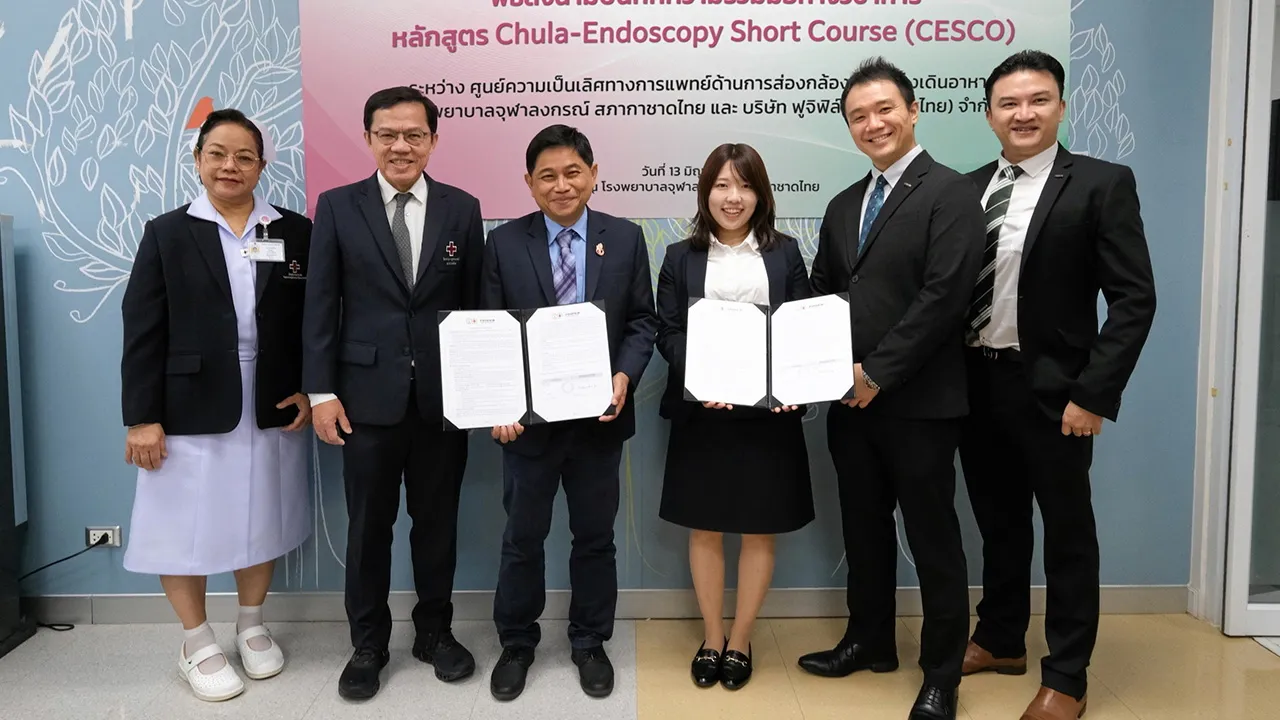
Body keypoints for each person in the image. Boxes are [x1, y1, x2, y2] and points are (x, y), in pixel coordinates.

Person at [958, 50, 1156, 720]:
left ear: (1061, 107)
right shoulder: (968, 188)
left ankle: (1068, 674)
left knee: (1068, 536)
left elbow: (1134, 299)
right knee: (998, 523)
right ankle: (1000, 638)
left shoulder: (1101, 183)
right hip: (975, 383)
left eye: (1038, 100)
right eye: (1009, 103)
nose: (1024, 113)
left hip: (1056, 393)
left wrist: (1093, 394)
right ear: (990, 115)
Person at [797, 57, 986, 720]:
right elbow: (823, 294)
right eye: (858, 116)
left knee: (934, 539)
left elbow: (944, 297)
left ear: (912, 111)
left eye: (884, 110)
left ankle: (941, 673)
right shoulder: (843, 204)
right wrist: (811, 367)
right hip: (849, 404)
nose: (873, 124)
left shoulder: (952, 192)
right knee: (864, 527)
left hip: (921, 404)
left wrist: (877, 372)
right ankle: (870, 640)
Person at [120, 108, 313, 702]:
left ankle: (251, 624)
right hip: (187, 403)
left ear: (262, 165)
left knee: (262, 513)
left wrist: (310, 386)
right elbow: (142, 328)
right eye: (218, 154)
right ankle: (196, 640)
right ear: (198, 159)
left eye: (245, 156)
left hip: (270, 398)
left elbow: (312, 318)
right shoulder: (168, 232)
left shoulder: (293, 230)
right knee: (184, 524)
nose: (231, 166)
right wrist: (141, 417)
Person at [301, 86, 484, 700]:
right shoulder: (337, 206)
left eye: (413, 135)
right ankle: (368, 644)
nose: (400, 146)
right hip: (363, 400)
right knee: (368, 529)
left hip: (442, 402)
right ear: (368, 138)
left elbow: (476, 307)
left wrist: (481, 392)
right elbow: (320, 304)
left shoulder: (462, 208)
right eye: (388, 134)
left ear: (433, 140)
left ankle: (435, 633)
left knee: (437, 524)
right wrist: (321, 392)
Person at [481, 124, 658, 702]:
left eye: (573, 172)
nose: (562, 186)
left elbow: (642, 321)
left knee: (595, 538)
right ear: (529, 183)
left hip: (598, 423)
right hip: (527, 427)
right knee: (522, 538)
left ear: (593, 174)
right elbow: (491, 331)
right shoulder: (504, 243)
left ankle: (589, 641)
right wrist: (499, 404)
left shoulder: (625, 238)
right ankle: (516, 642)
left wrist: (624, 375)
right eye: (548, 176)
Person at [655, 143, 813, 691]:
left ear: (760, 195)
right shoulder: (680, 256)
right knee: (705, 526)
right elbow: (668, 332)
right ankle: (712, 636)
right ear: (706, 192)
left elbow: (799, 327)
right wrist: (702, 376)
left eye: (744, 186)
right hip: (704, 412)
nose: (733, 197)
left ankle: (741, 639)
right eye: (722, 185)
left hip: (768, 415)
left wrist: (793, 386)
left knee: (758, 528)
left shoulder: (785, 253)